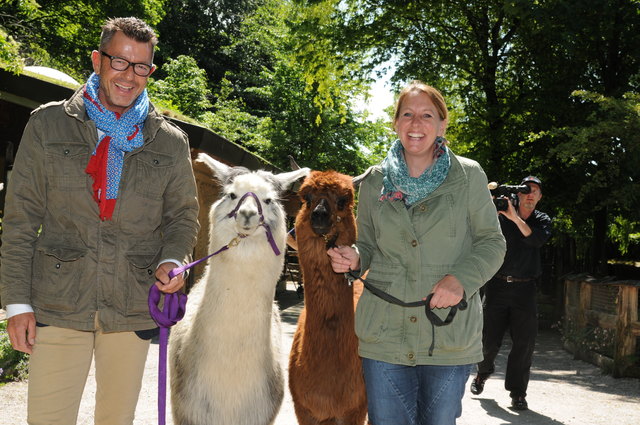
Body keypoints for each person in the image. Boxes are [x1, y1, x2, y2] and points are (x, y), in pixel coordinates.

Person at [0, 17, 199, 425]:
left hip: (130, 302)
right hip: (58, 299)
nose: (129, 76)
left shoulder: (170, 142)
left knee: (116, 419)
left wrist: (172, 259)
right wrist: (16, 303)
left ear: (151, 71)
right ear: (97, 60)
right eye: (119, 62)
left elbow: (182, 218)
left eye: (140, 66)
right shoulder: (48, 124)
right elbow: (20, 220)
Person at [327, 80, 506, 425]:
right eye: (407, 114)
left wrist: (461, 280)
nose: (416, 123)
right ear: (395, 123)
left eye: (426, 115)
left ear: (442, 124)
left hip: (447, 335)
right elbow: (369, 246)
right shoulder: (376, 181)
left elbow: (492, 242)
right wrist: (356, 258)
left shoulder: (468, 176)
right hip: (384, 335)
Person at [470, 176, 552, 411]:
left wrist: (514, 218)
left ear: (539, 197)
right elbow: (479, 228)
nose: (529, 193)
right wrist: (494, 208)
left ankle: (518, 393)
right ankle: (482, 374)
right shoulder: (501, 213)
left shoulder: (542, 220)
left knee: (524, 344)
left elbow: (536, 239)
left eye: (534, 190)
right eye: (525, 189)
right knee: (488, 340)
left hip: (525, 290)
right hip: (496, 287)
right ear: (518, 194)